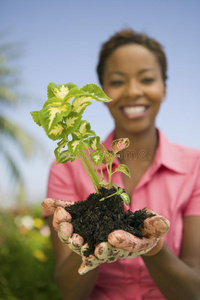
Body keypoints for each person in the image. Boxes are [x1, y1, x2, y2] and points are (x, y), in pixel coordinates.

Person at [44, 29, 200, 300]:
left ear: (164, 87)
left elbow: (194, 290)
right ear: (102, 92)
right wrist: (89, 245)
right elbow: (69, 291)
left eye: (147, 79)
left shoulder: (195, 167)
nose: (133, 91)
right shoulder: (67, 166)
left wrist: (153, 248)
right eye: (117, 81)